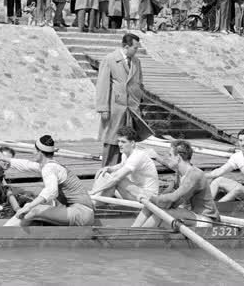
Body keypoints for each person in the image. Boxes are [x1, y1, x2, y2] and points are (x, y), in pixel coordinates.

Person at [5, 135, 95, 227]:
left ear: (40, 152)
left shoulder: (49, 167)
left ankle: (3, 233)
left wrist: (29, 207)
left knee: (33, 210)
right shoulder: (51, 166)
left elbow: (51, 191)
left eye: (34, 150)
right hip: (81, 213)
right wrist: (4, 159)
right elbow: (27, 165)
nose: (32, 152)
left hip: (81, 213)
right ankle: (8, 232)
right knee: (31, 208)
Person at [132, 140, 219, 228]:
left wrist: (150, 197)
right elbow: (166, 195)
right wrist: (152, 199)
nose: (168, 157)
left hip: (206, 220)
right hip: (191, 215)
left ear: (178, 158)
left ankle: (139, 237)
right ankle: (132, 231)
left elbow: (173, 198)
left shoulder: (195, 175)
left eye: (170, 155)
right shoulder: (180, 174)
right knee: (150, 206)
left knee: (162, 212)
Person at [96, 33, 152, 166]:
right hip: (115, 107)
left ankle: (125, 170)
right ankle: (107, 170)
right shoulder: (110, 59)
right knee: (112, 140)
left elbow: (139, 83)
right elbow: (102, 85)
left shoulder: (136, 61)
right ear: (126, 46)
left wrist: (139, 102)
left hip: (131, 108)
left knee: (128, 141)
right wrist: (103, 108)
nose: (136, 51)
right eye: (135, 48)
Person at [90, 125, 159, 201]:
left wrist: (95, 191)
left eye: (123, 142)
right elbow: (122, 165)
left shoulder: (137, 156)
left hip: (149, 197)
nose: (119, 145)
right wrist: (108, 168)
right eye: (118, 141)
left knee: (118, 179)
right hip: (137, 192)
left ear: (132, 143)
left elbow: (116, 178)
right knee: (104, 172)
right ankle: (95, 198)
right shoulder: (125, 154)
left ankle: (93, 198)